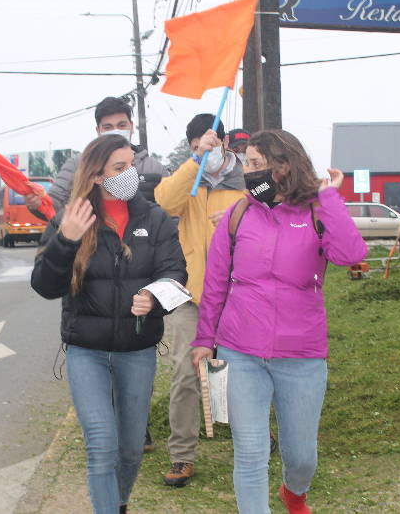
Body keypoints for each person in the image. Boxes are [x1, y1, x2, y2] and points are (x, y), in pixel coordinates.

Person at [190, 129, 367, 514]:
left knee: (302, 456)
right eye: (247, 164)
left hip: (301, 355)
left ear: (284, 167)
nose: (248, 173)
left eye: (256, 164)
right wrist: (205, 339)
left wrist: (329, 197)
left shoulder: (317, 211)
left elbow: (352, 253)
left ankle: (294, 490)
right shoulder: (238, 215)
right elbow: (216, 282)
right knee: (250, 452)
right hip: (240, 352)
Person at [31, 134, 187, 514]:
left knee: (131, 447)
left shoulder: (155, 218)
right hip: (87, 351)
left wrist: (153, 299)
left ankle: (118, 503)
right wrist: (65, 241)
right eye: (120, 168)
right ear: (97, 176)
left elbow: (176, 275)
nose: (130, 173)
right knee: (101, 441)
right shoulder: (72, 217)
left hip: (137, 351)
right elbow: (44, 286)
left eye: (131, 164)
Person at [153, 114, 246, 487]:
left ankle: (254, 440)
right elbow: (164, 203)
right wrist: (194, 162)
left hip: (241, 293)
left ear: (224, 143)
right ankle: (181, 456)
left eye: (207, 146)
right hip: (191, 296)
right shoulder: (186, 180)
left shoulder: (249, 178)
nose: (203, 153)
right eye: (195, 148)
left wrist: (243, 210)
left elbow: (274, 209)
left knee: (246, 373)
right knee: (184, 375)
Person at [26, 96, 168, 218]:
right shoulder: (78, 165)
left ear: (131, 126)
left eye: (121, 125)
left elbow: (172, 210)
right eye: (108, 127)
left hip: (143, 246)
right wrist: (37, 204)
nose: (115, 131)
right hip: (93, 244)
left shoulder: (154, 168)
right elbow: (54, 204)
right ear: (98, 131)